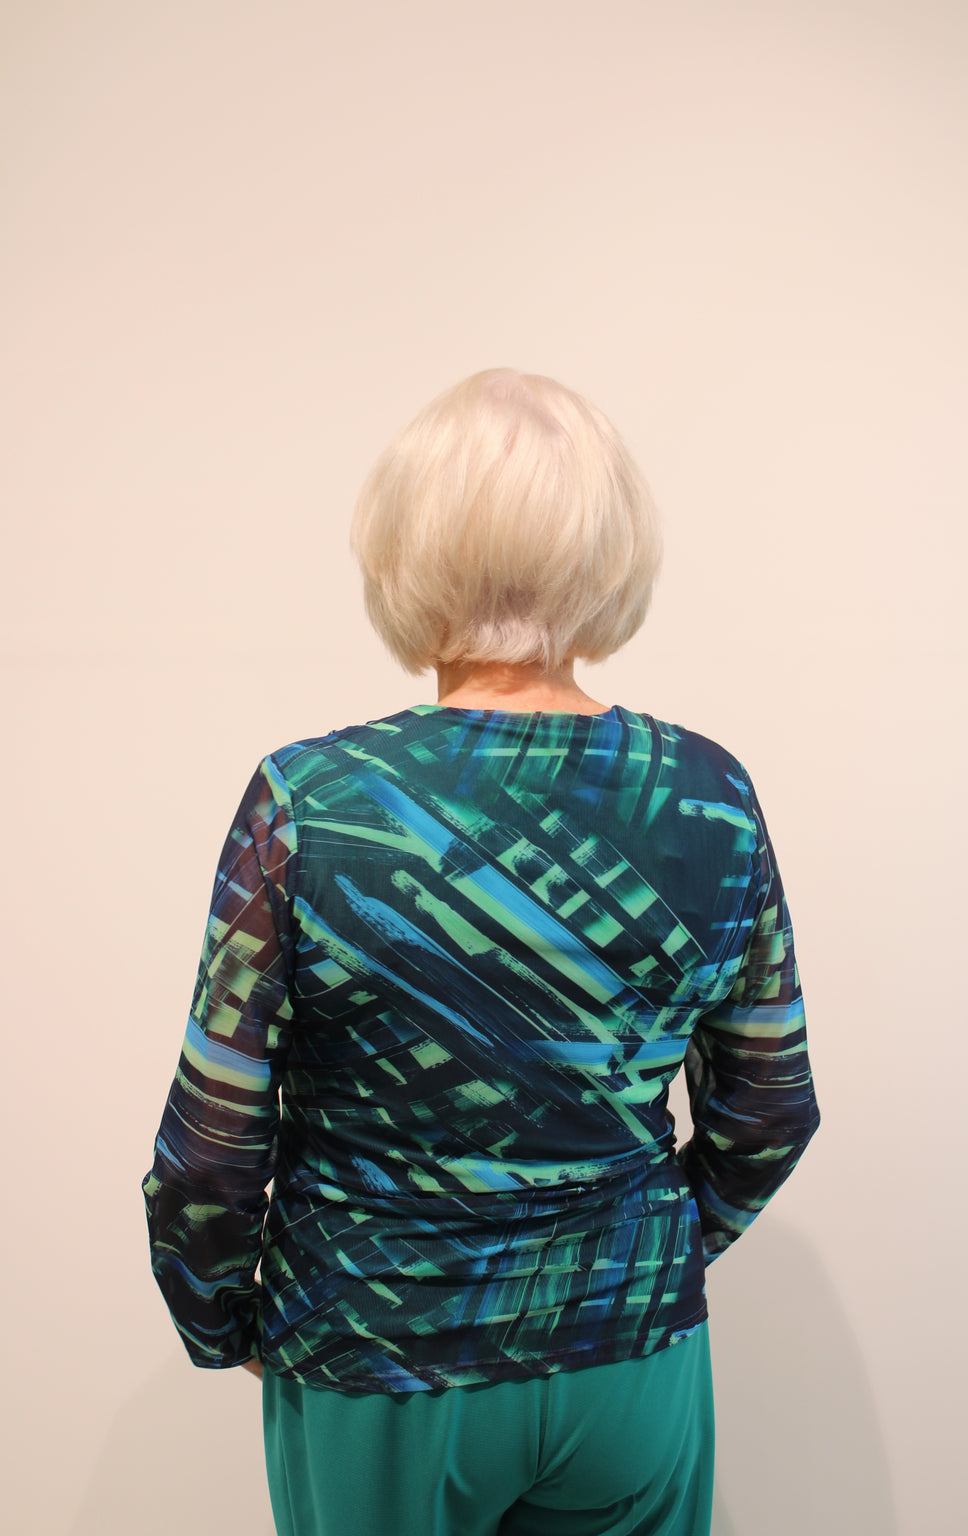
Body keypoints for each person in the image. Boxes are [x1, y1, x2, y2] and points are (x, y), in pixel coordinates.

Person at [142, 367, 820, 1536]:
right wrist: (639, 1256)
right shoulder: (708, 797)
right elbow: (768, 1109)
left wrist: (221, 1322)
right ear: (609, 552)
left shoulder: (312, 803)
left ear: (403, 553)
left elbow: (212, 1145)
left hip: (379, 1347)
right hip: (627, 1361)